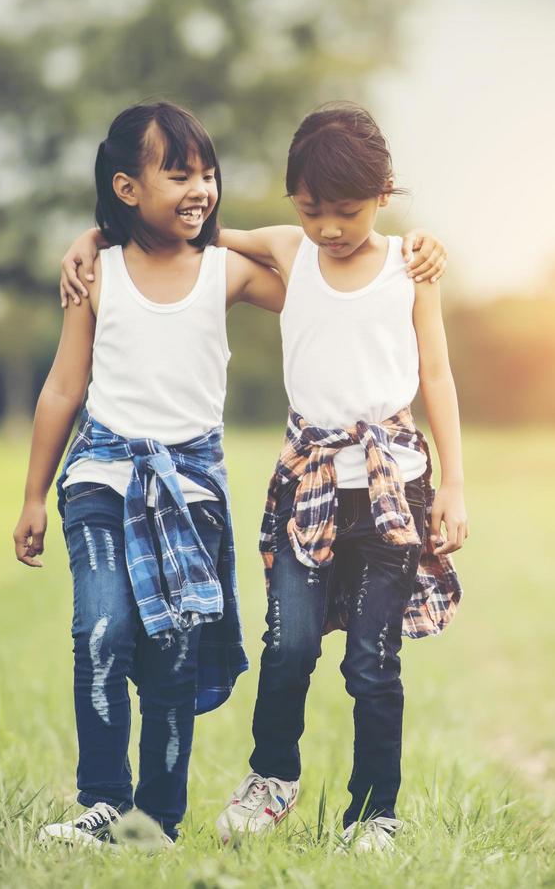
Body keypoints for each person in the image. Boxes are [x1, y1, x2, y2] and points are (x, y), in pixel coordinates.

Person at [13, 100, 284, 848]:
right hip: (100, 473)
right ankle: (102, 798)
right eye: (179, 174)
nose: (201, 188)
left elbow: (312, 289)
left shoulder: (222, 271)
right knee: (100, 629)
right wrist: (34, 495)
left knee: (171, 651)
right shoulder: (96, 273)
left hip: (190, 487)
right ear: (129, 187)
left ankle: (154, 822)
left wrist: (398, 256)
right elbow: (64, 387)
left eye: (208, 173)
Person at [211, 101, 467, 853]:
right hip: (308, 486)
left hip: (394, 491)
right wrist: (100, 232)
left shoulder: (409, 267)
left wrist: (453, 484)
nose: (328, 227)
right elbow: (193, 234)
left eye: (347, 212)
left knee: (371, 663)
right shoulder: (289, 251)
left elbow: (439, 375)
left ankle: (373, 814)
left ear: (384, 193)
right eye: (311, 208)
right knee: (288, 644)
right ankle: (273, 777)